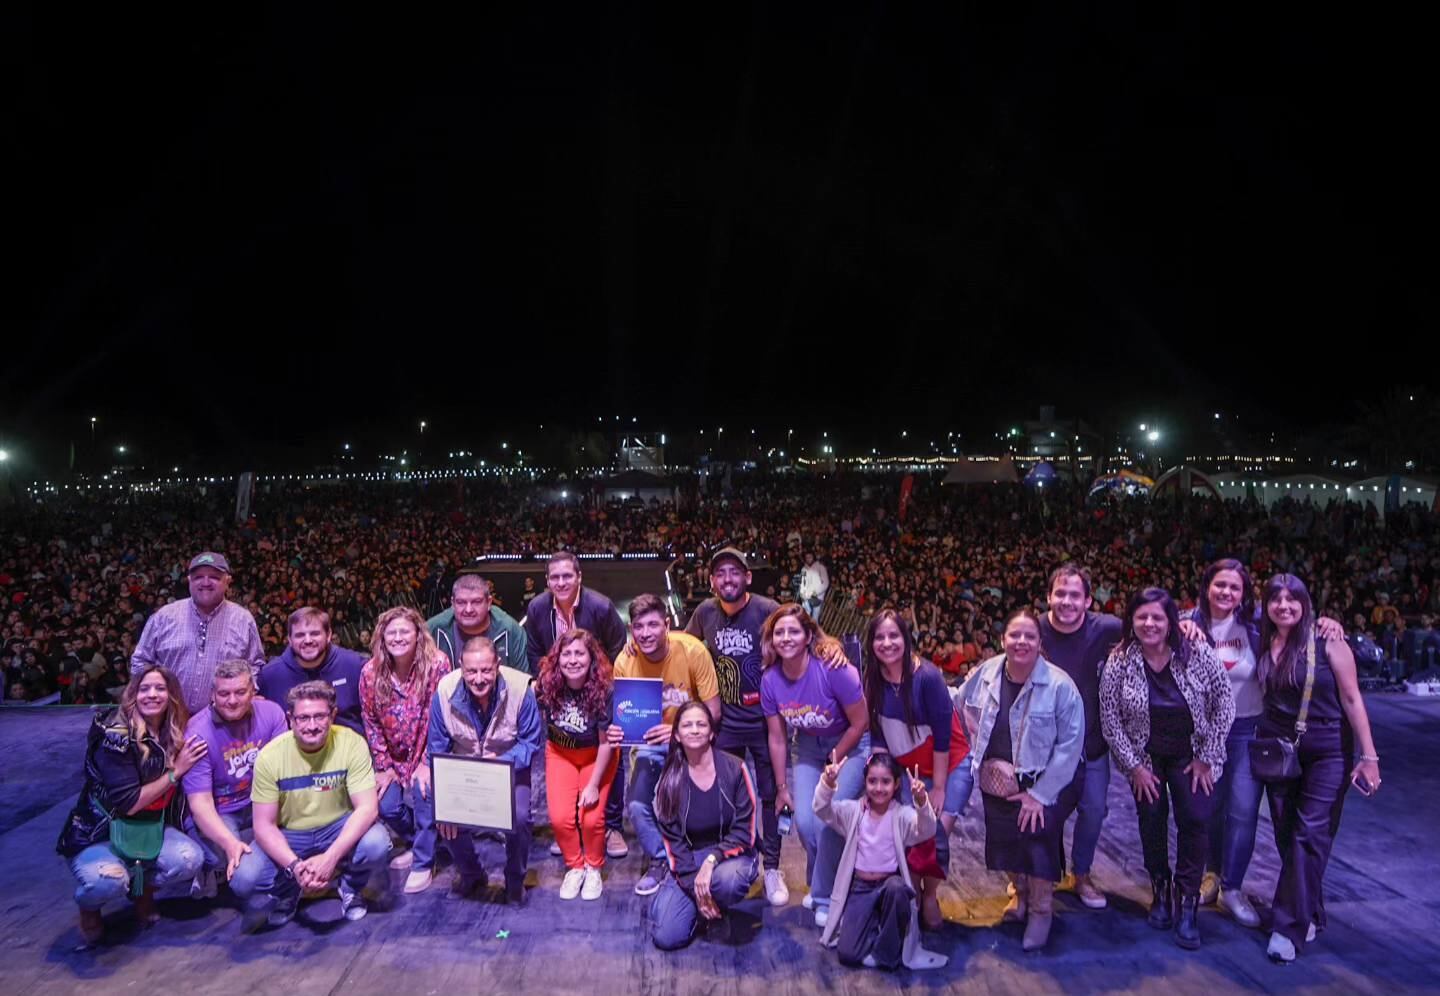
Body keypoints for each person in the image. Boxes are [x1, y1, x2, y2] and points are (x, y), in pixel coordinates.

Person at [1177, 559, 1343, 927]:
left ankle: (1233, 887)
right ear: (1206, 586)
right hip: (1203, 735)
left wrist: (1327, 623)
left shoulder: (1256, 626)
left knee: (1242, 812)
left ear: (1243, 593)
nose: (1226, 592)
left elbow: (1295, 629)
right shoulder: (1187, 623)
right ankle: (1212, 875)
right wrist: (1179, 624)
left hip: (1248, 731)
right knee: (1209, 811)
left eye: (1234, 587)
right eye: (1220, 585)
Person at [686, 546, 852, 907]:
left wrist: (832, 646)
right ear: (712, 580)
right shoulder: (704, 612)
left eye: (735, 572)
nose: (727, 579)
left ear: (747, 577)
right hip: (723, 721)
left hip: (765, 720)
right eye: (720, 573)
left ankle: (772, 866)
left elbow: (810, 632)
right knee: (724, 794)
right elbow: (682, 645)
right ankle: (730, 855)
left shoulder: (765, 609)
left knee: (773, 796)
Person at [1100, 588, 1235, 949]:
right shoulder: (1120, 659)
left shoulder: (1196, 651)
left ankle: (1188, 902)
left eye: (1157, 617)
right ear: (1131, 621)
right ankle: (1160, 889)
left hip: (1193, 754)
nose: (1149, 624)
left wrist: (1208, 754)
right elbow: (1110, 718)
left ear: (1172, 621)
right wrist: (1133, 768)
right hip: (1146, 758)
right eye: (1141, 617)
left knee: (1195, 820)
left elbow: (1224, 699)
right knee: (1152, 820)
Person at [1257, 574, 1381, 963]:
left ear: (1305, 603)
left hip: (1328, 748)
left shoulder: (1329, 640)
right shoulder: (1261, 638)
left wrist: (1369, 756)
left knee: (1310, 833)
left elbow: (1352, 698)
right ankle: (1310, 911)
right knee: (1286, 834)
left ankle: (1286, 927)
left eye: (1292, 599)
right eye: (1275, 599)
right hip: (1278, 748)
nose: (1284, 606)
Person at [955, 608, 1084, 951]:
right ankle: (1021, 896)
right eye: (1015, 635)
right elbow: (959, 701)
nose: (1021, 641)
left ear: (1040, 642)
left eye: (1030, 636)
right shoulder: (986, 672)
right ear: (1003, 639)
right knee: (1006, 840)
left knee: (1037, 840)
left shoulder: (1060, 686)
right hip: (998, 780)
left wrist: (1040, 794)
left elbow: (1071, 747)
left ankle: (1042, 910)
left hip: (1048, 782)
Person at [56, 665, 206, 944]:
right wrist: (176, 772)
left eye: (160, 688)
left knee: (190, 860)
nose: (152, 694)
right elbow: (128, 802)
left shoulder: (173, 727)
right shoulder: (115, 733)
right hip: (98, 832)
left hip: (150, 827)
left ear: (171, 695)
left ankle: (142, 890)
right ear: (132, 694)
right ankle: (89, 907)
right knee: (109, 882)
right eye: (144, 688)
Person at [246, 680, 390, 931]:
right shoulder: (270, 757)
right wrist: (294, 866)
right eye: (303, 718)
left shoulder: (352, 743)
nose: (311, 726)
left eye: (319, 716)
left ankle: (350, 886)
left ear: (333, 715)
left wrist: (330, 858)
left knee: (378, 843)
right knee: (244, 877)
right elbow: (263, 825)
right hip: (291, 834)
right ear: (290, 719)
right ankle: (289, 890)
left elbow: (368, 808)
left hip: (336, 826)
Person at [761, 603, 869, 927]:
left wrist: (833, 760)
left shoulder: (833, 668)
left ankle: (825, 895)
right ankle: (826, 878)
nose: (786, 637)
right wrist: (782, 788)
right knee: (806, 824)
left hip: (850, 745)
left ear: (808, 636)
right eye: (779, 632)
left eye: (794, 630)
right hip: (807, 746)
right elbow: (777, 738)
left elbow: (860, 722)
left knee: (826, 819)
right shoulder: (770, 680)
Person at [607, 593, 721, 897]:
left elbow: (714, 711)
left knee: (689, 805)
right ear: (631, 629)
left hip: (690, 740)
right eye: (639, 627)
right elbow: (623, 714)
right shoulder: (625, 660)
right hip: (648, 744)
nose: (645, 633)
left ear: (667, 625)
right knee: (638, 804)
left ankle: (697, 858)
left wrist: (676, 732)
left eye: (653, 625)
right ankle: (659, 860)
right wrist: (618, 731)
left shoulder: (693, 651)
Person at [524, 551, 629, 859]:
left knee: (612, 753)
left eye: (567, 576)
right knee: (564, 752)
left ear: (579, 577)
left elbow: (617, 646)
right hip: (560, 691)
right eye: (554, 577)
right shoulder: (537, 607)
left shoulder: (600, 606)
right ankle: (570, 827)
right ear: (547, 581)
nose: (561, 582)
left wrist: (601, 687)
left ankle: (612, 826)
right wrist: (545, 683)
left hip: (597, 690)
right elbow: (533, 650)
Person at [425, 636, 542, 905]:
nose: (479, 678)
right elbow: (437, 748)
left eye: (486, 670)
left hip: (509, 767)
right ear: (460, 667)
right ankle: (472, 873)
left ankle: (515, 879)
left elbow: (530, 742)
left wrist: (502, 761)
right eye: (471, 671)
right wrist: (445, 799)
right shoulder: (444, 691)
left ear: (497, 665)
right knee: (446, 817)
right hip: (462, 767)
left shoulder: (521, 689)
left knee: (521, 817)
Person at [863, 608, 956, 930]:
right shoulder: (873, 678)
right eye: (880, 637)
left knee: (934, 832)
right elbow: (877, 734)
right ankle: (912, 893)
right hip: (908, 766)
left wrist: (940, 787)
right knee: (906, 833)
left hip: (948, 763)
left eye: (894, 635)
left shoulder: (927, 677)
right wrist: (876, 778)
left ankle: (929, 895)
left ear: (906, 638)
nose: (887, 643)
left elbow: (944, 737)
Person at [1036, 563, 1122, 909]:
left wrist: (1188, 624)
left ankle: (1082, 875)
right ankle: (1036, 876)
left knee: (1094, 810)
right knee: (1043, 813)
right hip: (1045, 748)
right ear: (1048, 597)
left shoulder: (1107, 628)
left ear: (1089, 600)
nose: (1067, 601)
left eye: (1075, 595)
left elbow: (1155, 622)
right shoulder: (1035, 628)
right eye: (1060, 594)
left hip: (1092, 745)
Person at [815, 753, 947, 970]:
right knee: (848, 954)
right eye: (872, 781)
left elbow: (927, 829)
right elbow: (822, 809)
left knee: (898, 890)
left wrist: (922, 801)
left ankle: (885, 949)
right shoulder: (854, 812)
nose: (878, 788)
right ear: (865, 782)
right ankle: (874, 924)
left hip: (888, 885)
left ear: (896, 784)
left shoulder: (902, 815)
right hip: (860, 888)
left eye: (885, 781)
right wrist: (828, 783)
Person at [649, 701, 759, 950]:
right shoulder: (669, 780)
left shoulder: (735, 768)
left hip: (730, 857)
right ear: (677, 734)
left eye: (701, 724)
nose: (695, 730)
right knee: (667, 938)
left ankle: (720, 906)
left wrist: (711, 860)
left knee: (731, 880)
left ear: (712, 732)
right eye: (687, 725)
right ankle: (701, 906)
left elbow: (745, 833)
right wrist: (693, 884)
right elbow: (673, 843)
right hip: (690, 859)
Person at [359, 606, 451, 894]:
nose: (398, 637)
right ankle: (422, 841)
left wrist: (427, 761)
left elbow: (443, 718)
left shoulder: (437, 665)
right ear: (382, 637)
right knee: (386, 805)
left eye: (405, 631)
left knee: (424, 793)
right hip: (393, 758)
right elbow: (370, 721)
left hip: (429, 749)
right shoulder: (370, 672)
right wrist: (383, 767)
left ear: (417, 635)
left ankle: (423, 862)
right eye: (392, 632)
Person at [183, 659, 289, 902]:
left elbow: (283, 773)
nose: (232, 700)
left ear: (253, 691)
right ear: (212, 695)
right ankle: (212, 864)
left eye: (240, 692)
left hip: (261, 801)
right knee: (236, 869)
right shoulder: (197, 732)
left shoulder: (272, 713)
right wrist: (230, 843)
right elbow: (200, 804)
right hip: (221, 810)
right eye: (224, 693)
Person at [533, 628, 617, 900]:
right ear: (557, 659)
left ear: (591, 658)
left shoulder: (604, 690)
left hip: (596, 756)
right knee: (559, 819)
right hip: (560, 754)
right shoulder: (547, 685)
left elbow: (606, 743)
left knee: (591, 819)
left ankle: (593, 867)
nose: (572, 660)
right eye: (566, 654)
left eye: (579, 653)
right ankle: (575, 866)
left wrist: (593, 786)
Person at [131, 552, 266, 714]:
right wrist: (151, 697)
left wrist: (249, 693)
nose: (206, 582)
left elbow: (254, 665)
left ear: (227, 581)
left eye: (214, 577)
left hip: (222, 722)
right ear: (189, 581)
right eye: (198, 577)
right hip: (166, 718)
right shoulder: (164, 617)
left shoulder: (243, 620)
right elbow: (140, 662)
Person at [259, 607, 369, 735]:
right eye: (300, 635)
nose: (308, 640)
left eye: (315, 634)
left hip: (350, 750)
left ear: (328, 635)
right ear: (289, 639)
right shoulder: (270, 676)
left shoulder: (354, 665)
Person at [427, 572, 530, 673]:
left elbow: (523, 681)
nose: (468, 610)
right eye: (461, 602)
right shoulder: (432, 630)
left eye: (476, 602)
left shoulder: (511, 630)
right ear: (452, 604)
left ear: (489, 602)